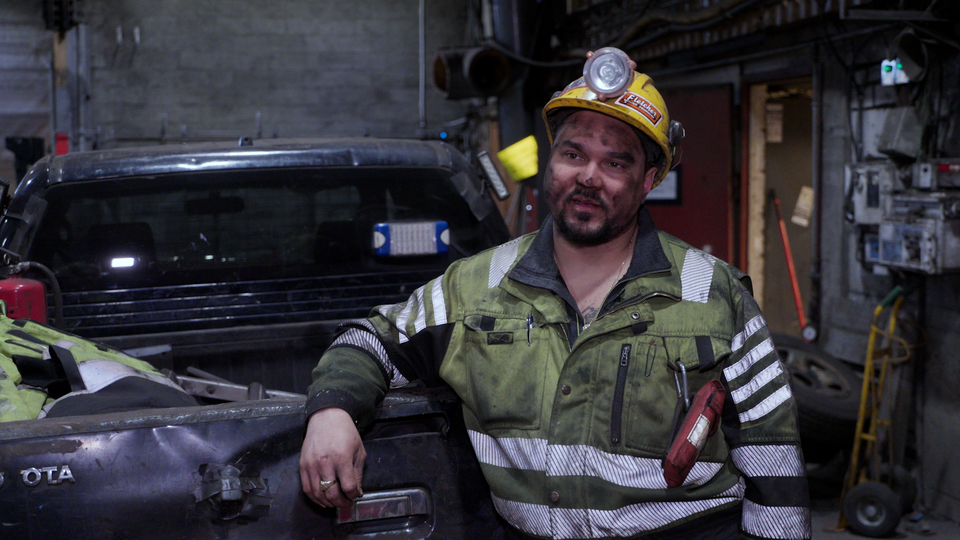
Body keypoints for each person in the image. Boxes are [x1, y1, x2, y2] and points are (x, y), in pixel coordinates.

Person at [300, 53, 811, 539]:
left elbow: (775, 463)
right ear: (552, 160)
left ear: (649, 179)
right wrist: (332, 412)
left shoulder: (714, 295)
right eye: (574, 154)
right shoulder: (476, 287)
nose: (588, 176)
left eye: (615, 163)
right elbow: (372, 341)